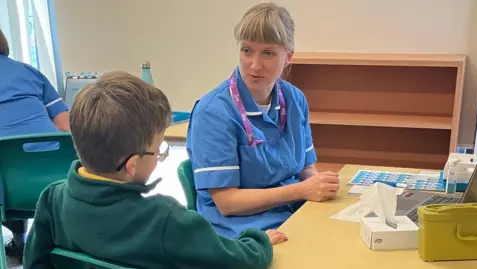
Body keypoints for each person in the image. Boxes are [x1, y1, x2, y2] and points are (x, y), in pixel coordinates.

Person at [24, 71, 287, 269]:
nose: (160, 154)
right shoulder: (164, 218)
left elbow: (35, 264)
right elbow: (240, 261)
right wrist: (258, 240)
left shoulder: (52, 199)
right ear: (132, 165)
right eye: (158, 148)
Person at [186, 2, 340, 238]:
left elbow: (305, 168)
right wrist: (301, 191)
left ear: (288, 57)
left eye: (268, 53)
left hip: (292, 215)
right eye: (247, 50)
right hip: (241, 231)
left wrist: (320, 187)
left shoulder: (295, 99)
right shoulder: (213, 112)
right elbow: (227, 202)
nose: (254, 65)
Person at [0, 29, 69, 263]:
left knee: (7, 164)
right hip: (55, 182)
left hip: (4, 189)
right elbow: (67, 125)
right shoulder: (29, 72)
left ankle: (19, 241)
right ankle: (24, 242)